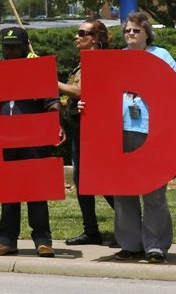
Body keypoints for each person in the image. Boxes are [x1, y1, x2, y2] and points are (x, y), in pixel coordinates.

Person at [0, 26, 62, 257]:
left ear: (26, 47)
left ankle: (43, 240)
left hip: (33, 139)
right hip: (3, 140)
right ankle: (6, 241)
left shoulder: (38, 70)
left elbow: (52, 102)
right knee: (8, 193)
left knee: (36, 191)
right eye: (6, 47)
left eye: (15, 47)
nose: (10, 51)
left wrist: (55, 124)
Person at [97, 11, 176, 263]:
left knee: (154, 191)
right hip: (118, 131)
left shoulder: (161, 56)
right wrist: (86, 105)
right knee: (122, 190)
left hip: (152, 131)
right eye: (127, 30)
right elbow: (101, 93)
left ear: (147, 33)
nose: (130, 34)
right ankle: (130, 244)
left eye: (136, 30)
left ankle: (156, 246)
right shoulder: (117, 59)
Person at [59, 18, 115, 246]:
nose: (77, 36)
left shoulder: (99, 62)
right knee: (82, 180)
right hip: (80, 129)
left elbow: (82, 91)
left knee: (101, 181)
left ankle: (131, 227)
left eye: (82, 33)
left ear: (96, 38)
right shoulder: (82, 63)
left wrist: (53, 82)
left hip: (95, 132)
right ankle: (91, 230)